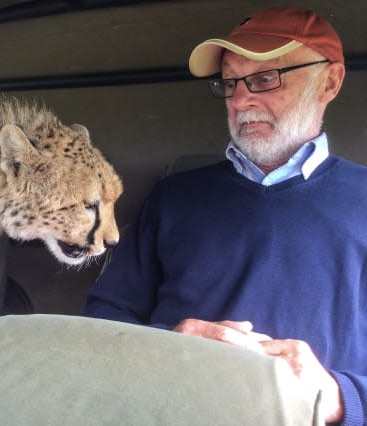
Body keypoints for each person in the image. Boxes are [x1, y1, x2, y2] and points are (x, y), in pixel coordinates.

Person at [83, 7, 365, 425]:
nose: (241, 99)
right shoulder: (174, 197)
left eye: (266, 78)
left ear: (330, 81)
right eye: (230, 82)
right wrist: (166, 346)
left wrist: (339, 398)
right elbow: (100, 324)